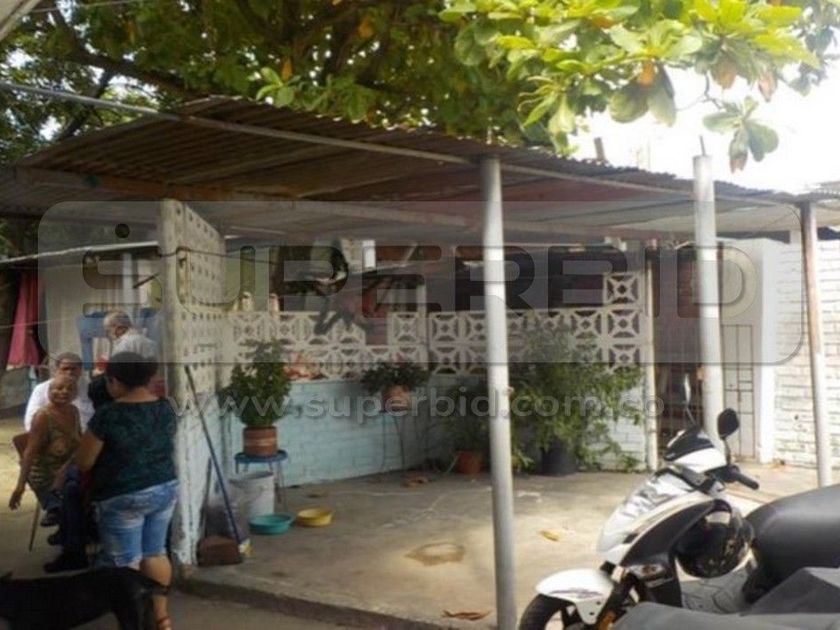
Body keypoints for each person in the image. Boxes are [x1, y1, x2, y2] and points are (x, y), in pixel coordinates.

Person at [76, 352, 177, 630]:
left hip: (122, 496)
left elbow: (84, 462)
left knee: (125, 564)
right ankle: (162, 619)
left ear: (115, 381)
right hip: (164, 487)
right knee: (155, 553)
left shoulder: (108, 415)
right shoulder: (165, 407)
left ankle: (134, 623)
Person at [9, 375, 81, 537]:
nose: (64, 392)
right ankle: (69, 532)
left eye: (70, 389)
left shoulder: (74, 411)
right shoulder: (43, 417)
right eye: (59, 388)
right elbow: (29, 453)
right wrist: (20, 487)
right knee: (74, 496)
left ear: (76, 393)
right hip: (48, 473)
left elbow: (80, 443)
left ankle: (71, 532)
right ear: (49, 391)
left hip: (69, 468)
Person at [24, 352, 94, 433]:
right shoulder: (41, 389)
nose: (69, 372)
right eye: (65, 369)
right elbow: (30, 421)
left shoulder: (92, 388)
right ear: (56, 370)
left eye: (73, 369)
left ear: (80, 370)